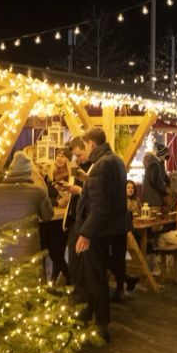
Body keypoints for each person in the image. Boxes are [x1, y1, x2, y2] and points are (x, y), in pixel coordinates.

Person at [70, 127, 128, 342]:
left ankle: (101, 325)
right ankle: (83, 316)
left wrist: (85, 233)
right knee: (87, 275)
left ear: (91, 144)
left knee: (94, 276)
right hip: (109, 228)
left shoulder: (100, 167)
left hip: (95, 231)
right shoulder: (116, 161)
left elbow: (100, 207)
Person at [0, 152, 54, 261]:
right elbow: (47, 216)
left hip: (3, 250)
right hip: (29, 250)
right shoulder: (38, 191)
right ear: (29, 172)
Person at [40, 147, 72, 284]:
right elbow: (43, 197)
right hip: (49, 217)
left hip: (62, 219)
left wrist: (67, 199)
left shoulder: (71, 177)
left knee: (57, 251)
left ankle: (59, 277)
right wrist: (56, 202)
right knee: (52, 251)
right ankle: (66, 276)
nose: (59, 158)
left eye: (63, 156)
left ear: (68, 160)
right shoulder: (48, 176)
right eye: (58, 155)